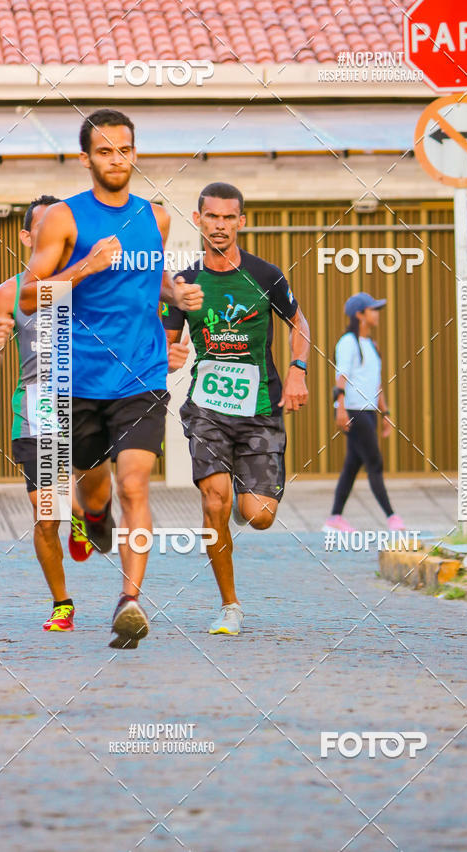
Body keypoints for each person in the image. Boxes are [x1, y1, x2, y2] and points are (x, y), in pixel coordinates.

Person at [19, 109, 203, 649]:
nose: (116, 160)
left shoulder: (157, 218)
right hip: (75, 378)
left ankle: (130, 601)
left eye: (124, 150)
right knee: (92, 482)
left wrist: (175, 292)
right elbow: (28, 297)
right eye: (104, 151)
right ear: (86, 159)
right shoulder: (63, 219)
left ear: (134, 154)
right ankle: (93, 515)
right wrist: (85, 267)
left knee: (134, 484)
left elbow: (151, 279)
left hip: (140, 375)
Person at [163, 181, 310, 636]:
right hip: (207, 409)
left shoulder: (266, 276)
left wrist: (298, 369)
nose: (220, 226)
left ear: (241, 221)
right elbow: (165, 343)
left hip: (260, 406)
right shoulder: (184, 284)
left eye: (229, 217)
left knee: (259, 515)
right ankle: (230, 606)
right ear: (198, 219)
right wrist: (168, 355)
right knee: (214, 501)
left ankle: (240, 500)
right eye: (212, 216)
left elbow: (299, 323)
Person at [0, 195, 94, 632]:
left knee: (86, 496)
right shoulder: (8, 293)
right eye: (44, 227)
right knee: (47, 515)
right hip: (37, 409)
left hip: (88, 403)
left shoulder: (88, 283)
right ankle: (62, 604)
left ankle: (85, 514)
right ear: (28, 236)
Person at [323, 292, 405, 533]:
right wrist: (340, 409)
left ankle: (334, 518)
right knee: (374, 462)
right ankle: (392, 518)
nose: (376, 314)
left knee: (352, 464)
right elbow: (341, 377)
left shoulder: (371, 345)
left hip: (368, 411)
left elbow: (376, 383)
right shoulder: (348, 342)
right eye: (373, 309)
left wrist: (385, 413)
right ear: (359, 315)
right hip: (353, 411)